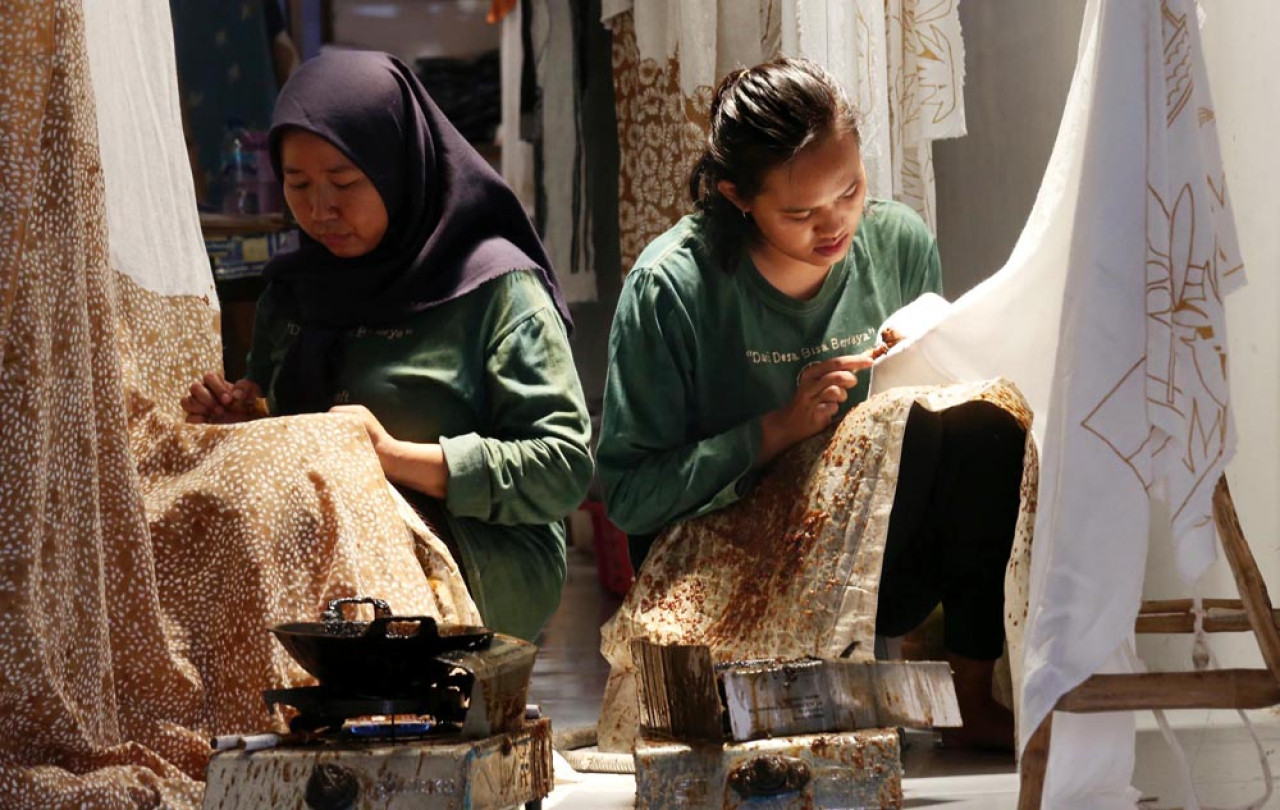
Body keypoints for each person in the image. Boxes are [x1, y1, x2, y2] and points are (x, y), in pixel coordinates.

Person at [596, 57, 1027, 749]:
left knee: (983, 421)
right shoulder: (671, 287)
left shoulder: (896, 243)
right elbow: (629, 499)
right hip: (731, 575)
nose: (835, 225)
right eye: (800, 212)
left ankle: (971, 696)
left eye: (851, 190)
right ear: (738, 196)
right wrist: (775, 431)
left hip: (873, 559)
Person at [181, 50, 593, 642]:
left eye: (344, 183)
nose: (321, 209)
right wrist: (252, 424)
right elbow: (297, 438)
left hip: (482, 551)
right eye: (297, 185)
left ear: (399, 168)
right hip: (327, 543)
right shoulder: (295, 293)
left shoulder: (495, 290)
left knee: (321, 593)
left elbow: (563, 467)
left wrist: (392, 457)